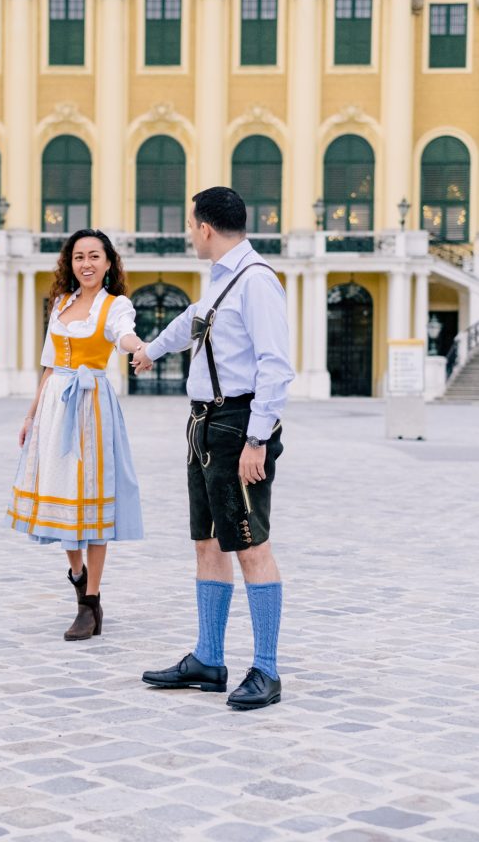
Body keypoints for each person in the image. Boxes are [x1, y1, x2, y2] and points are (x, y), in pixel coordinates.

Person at [133, 187, 294, 709]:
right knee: (205, 540)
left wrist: (258, 439)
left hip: (237, 426)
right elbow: (190, 325)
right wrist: (149, 352)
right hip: (203, 425)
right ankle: (208, 658)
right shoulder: (220, 281)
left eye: (190, 225)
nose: (187, 233)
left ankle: (266, 671)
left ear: (205, 228)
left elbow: (275, 365)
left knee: (250, 545)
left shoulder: (257, 282)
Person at [7, 229, 145, 641]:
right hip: (55, 404)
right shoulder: (61, 304)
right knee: (62, 493)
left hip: (91, 406)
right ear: (70, 263)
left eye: (94, 257)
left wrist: (139, 348)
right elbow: (49, 364)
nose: (86, 264)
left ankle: (90, 602)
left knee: (93, 502)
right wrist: (31, 415)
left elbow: (123, 334)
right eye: (79, 257)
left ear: (108, 263)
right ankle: (77, 573)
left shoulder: (115, 305)